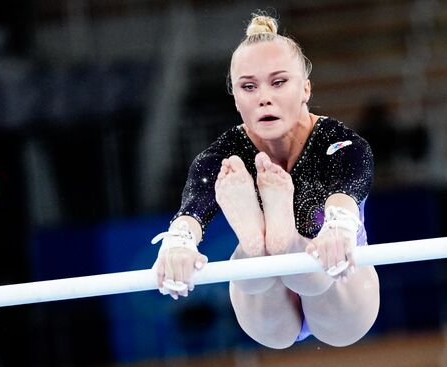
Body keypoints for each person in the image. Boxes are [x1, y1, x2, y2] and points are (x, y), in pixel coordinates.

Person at [151, 12, 380, 348]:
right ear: (236, 98)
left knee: (316, 275)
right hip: (272, 298)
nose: (263, 97)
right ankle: (259, 244)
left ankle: (278, 244)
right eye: (248, 86)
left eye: (278, 82)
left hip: (335, 276)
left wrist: (338, 228)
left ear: (305, 88)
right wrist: (178, 244)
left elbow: (348, 189)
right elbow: (191, 212)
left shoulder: (339, 143)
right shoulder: (221, 159)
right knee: (261, 283)